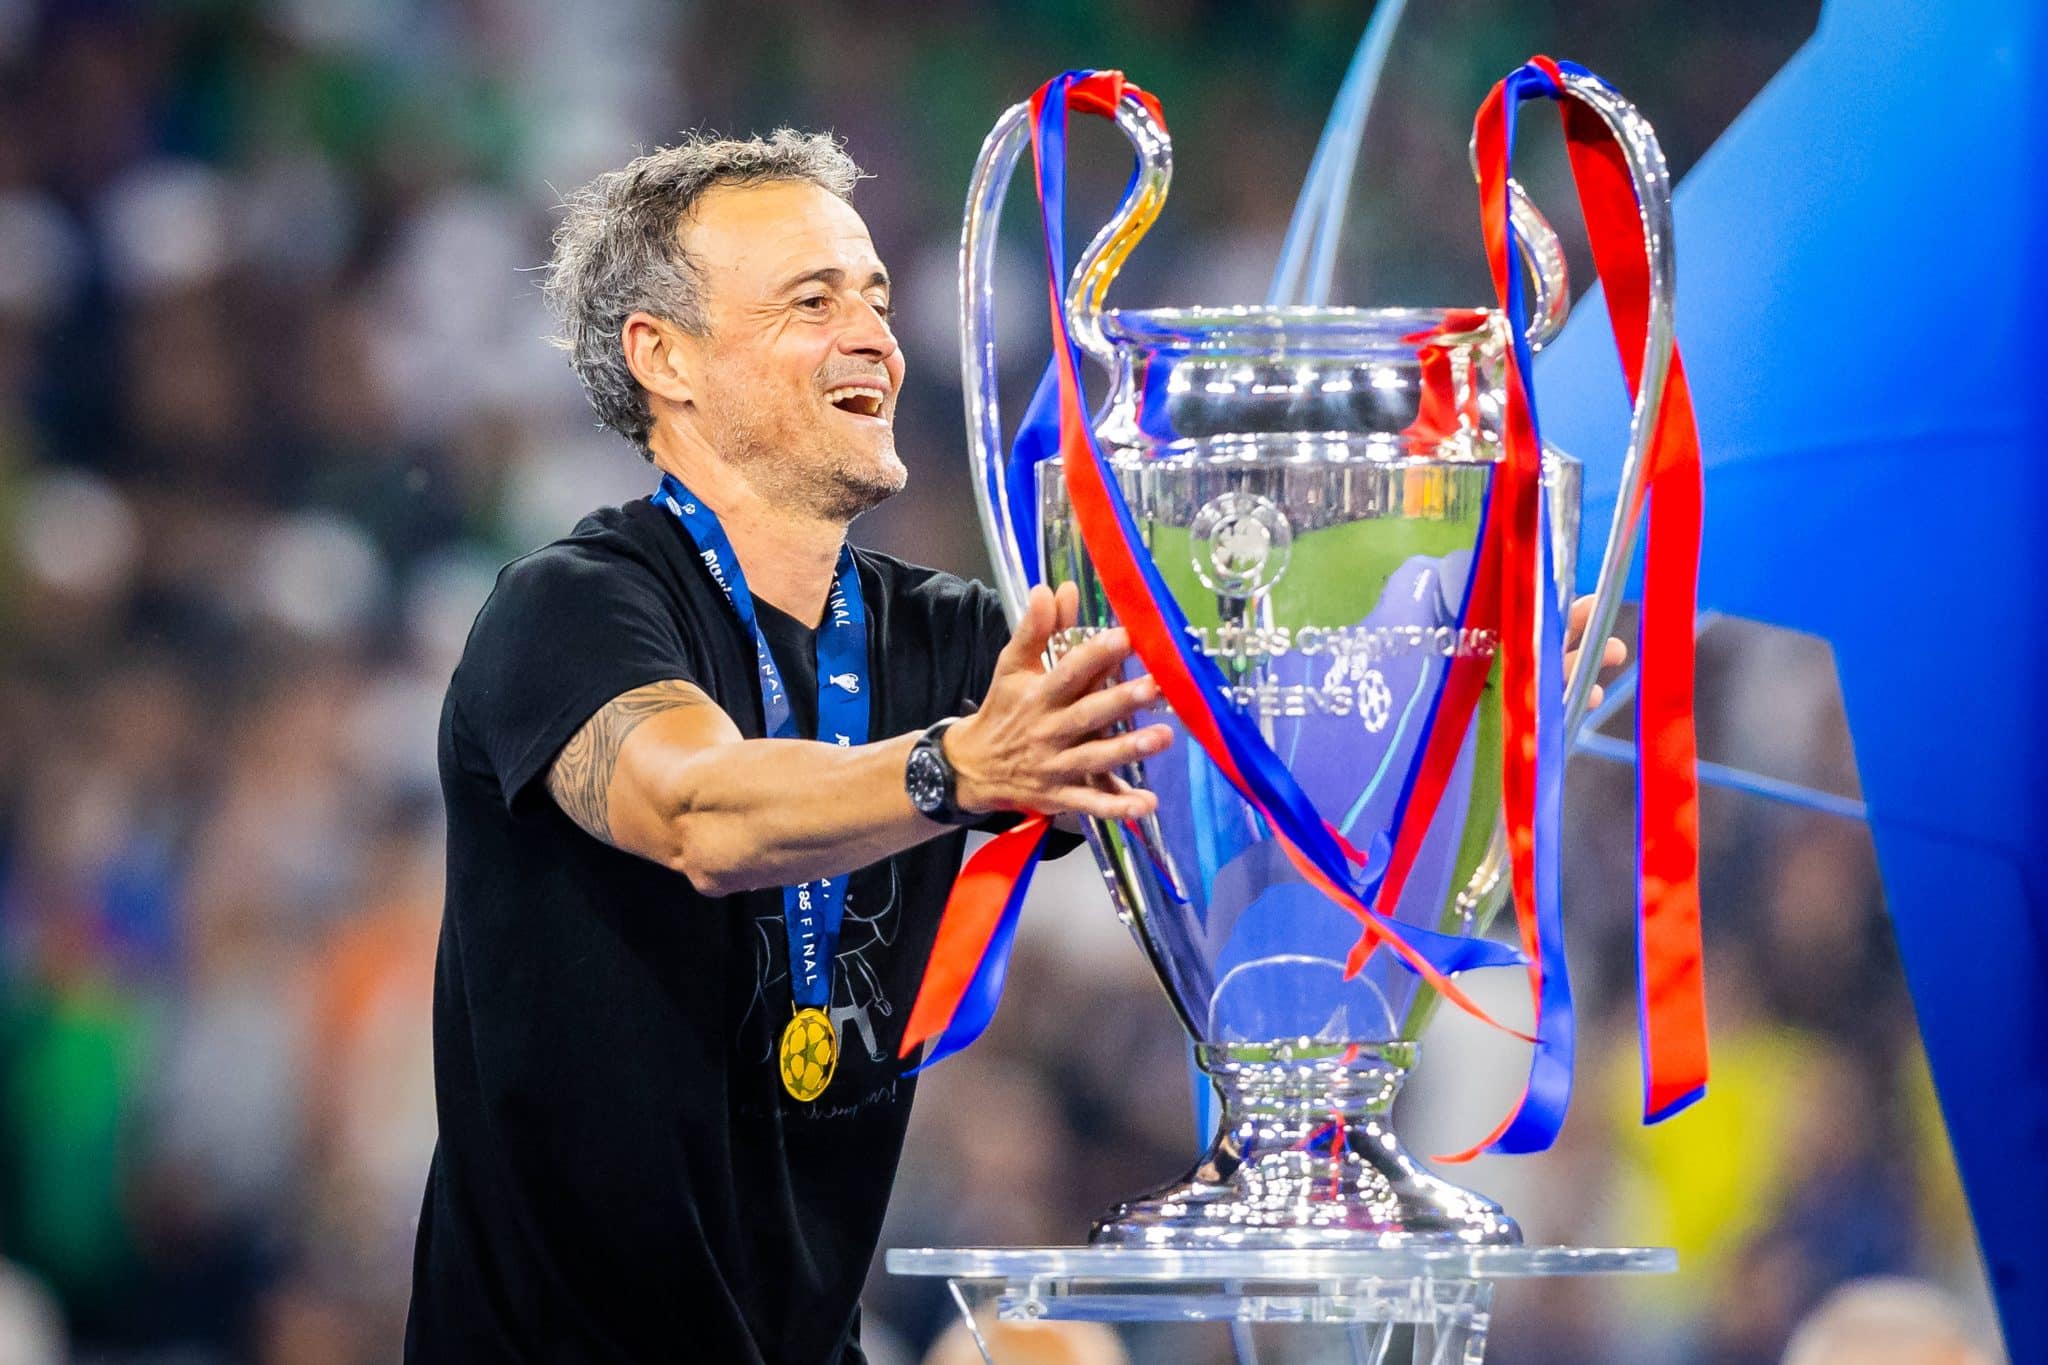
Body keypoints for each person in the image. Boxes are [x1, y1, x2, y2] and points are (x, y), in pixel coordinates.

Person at [403, 129, 1624, 1364]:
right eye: (810, 301)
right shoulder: (568, 609)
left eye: (875, 296)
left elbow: (1243, 769)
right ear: (661, 357)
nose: (872, 334)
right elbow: (696, 811)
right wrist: (955, 772)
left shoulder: (946, 644)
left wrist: (1464, 700)